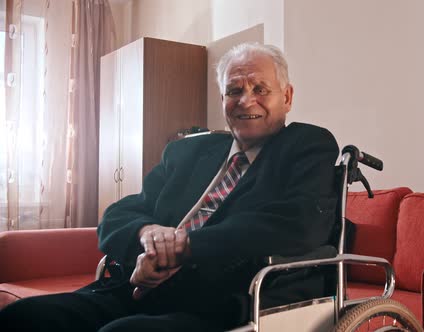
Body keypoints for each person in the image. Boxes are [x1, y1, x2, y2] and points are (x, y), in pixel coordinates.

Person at [0, 43, 339, 331]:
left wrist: (182, 247)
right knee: (25, 317)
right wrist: (147, 234)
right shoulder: (188, 151)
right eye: (235, 90)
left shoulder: (306, 145)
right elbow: (120, 213)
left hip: (216, 300)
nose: (246, 101)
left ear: (287, 96)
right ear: (222, 98)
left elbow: (301, 222)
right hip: (135, 286)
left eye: (260, 89)